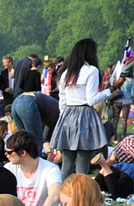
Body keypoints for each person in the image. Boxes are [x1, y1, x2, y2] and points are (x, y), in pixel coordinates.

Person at [52, 38, 125, 179]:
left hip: (67, 115)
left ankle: (62, 196)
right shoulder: (91, 70)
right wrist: (112, 89)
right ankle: (81, 197)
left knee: (66, 165)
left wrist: (64, 117)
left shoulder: (65, 72)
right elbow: (91, 99)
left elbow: (62, 99)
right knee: (82, 166)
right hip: (84, 115)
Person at [4, 130, 62, 206]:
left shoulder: (50, 168)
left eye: (9, 152)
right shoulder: (9, 168)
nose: (6, 155)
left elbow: (55, 195)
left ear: (23, 152)